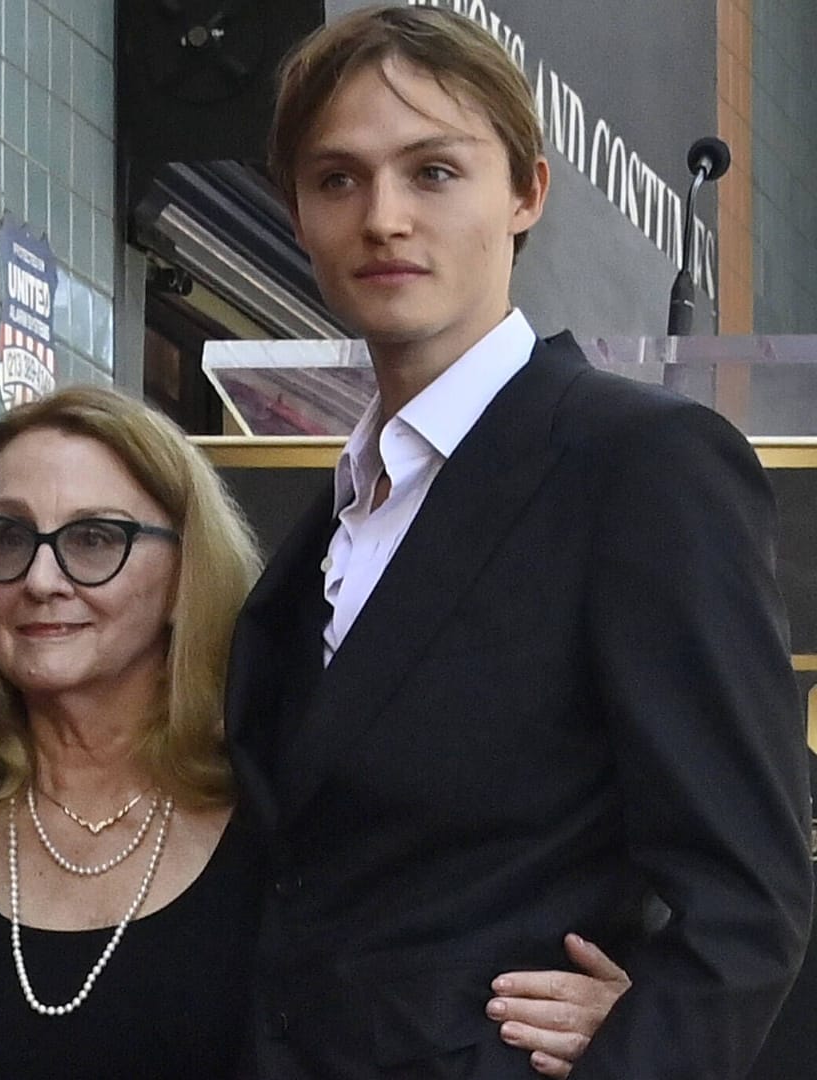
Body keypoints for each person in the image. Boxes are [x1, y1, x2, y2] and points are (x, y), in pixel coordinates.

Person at [228, 6, 814, 1078]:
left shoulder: (642, 467)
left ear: (527, 192)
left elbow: (751, 901)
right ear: (298, 215)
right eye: (339, 179)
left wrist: (632, 1051)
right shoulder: (336, 517)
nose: (385, 218)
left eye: (435, 172)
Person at [0, 386, 622, 1079]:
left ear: (183, 575)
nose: (41, 578)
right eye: (8, 536)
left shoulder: (289, 818)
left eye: (95, 539)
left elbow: (436, 980)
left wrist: (623, 1014)